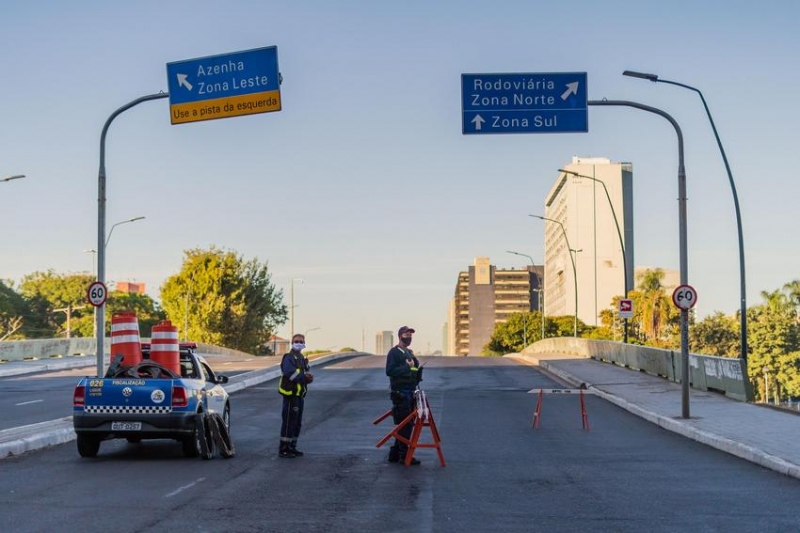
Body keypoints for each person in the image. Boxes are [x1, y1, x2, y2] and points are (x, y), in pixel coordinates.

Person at [385, 326, 423, 465]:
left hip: (410, 391)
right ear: (400, 336)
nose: (409, 337)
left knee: (405, 424)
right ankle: (404, 456)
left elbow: (413, 368)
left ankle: (395, 454)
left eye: (410, 335)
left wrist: (416, 369)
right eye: (407, 335)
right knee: (405, 424)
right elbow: (389, 371)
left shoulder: (409, 352)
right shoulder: (394, 352)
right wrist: (407, 367)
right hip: (400, 393)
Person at [278, 333, 313, 458]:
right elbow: (289, 373)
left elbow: (304, 372)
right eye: (296, 341)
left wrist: (308, 376)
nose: (299, 343)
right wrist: (304, 378)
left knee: (297, 423)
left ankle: (292, 447)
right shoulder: (289, 357)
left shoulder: (301, 357)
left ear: (304, 343)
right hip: (291, 395)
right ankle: (284, 449)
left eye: (301, 341)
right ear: (292, 343)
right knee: (289, 422)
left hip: (299, 395)